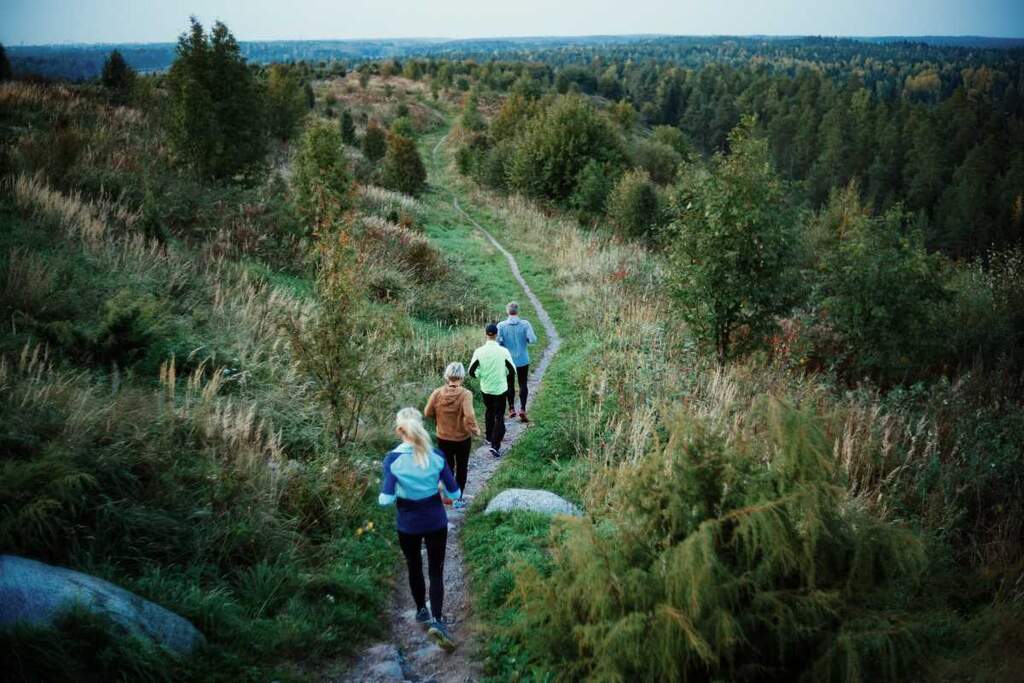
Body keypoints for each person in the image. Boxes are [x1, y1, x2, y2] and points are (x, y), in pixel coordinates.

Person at [378, 407, 459, 651]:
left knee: (413, 565)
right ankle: (438, 620)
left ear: (398, 430)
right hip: (435, 521)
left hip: (408, 525)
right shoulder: (436, 455)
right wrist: (439, 491)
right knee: (436, 570)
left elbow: (385, 499)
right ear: (421, 426)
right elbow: (455, 492)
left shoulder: (392, 460)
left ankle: (421, 611)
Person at [424, 362, 480, 510]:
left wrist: (439, 419)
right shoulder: (465, 394)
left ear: (447, 376)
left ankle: (447, 495)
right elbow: (469, 415)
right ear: (462, 376)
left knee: (447, 467)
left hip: (443, 437)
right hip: (462, 438)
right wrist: (475, 430)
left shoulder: (437, 393)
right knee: (462, 468)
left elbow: (427, 412)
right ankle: (458, 499)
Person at [469, 323, 515, 458]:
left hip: (486, 388)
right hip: (500, 388)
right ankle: (495, 445)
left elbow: (471, 371)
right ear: (496, 335)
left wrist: (480, 375)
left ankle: (489, 437)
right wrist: (504, 372)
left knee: (489, 411)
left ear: (485, 334)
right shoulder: (503, 351)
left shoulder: (479, 352)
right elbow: (512, 370)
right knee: (499, 415)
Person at [497, 301, 537, 422]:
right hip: (523, 359)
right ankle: (523, 409)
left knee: (509, 384)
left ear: (507, 311)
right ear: (517, 311)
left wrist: (504, 344)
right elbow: (533, 340)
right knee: (523, 383)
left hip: (508, 360)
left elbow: (498, 342)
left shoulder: (501, 326)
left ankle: (511, 409)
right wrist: (525, 339)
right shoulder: (525, 324)